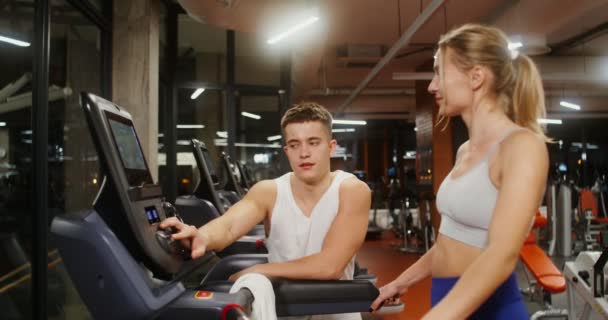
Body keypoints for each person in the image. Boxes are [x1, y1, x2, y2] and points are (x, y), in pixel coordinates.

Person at [371, 23, 549, 319]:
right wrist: (399, 283)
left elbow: (501, 254)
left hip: (488, 310)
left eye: (439, 71)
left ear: (476, 77)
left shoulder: (521, 146)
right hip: (447, 302)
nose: (432, 86)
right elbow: (449, 240)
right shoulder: (465, 151)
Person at [161, 102, 371, 320]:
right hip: (283, 312)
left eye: (313, 142)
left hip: (336, 313)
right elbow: (229, 226)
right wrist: (201, 237)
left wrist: (257, 271)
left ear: (331, 146)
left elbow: (330, 266)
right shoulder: (268, 191)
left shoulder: (352, 190)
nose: (304, 153)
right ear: (286, 151)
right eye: (294, 144)